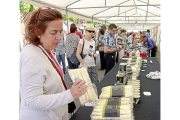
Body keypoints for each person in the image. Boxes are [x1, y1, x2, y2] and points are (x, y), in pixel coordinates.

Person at [20, 7, 87, 120]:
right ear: (37, 31)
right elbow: (32, 100)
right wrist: (69, 94)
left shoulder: (44, 50)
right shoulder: (31, 57)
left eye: (60, 32)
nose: (59, 37)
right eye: (53, 32)